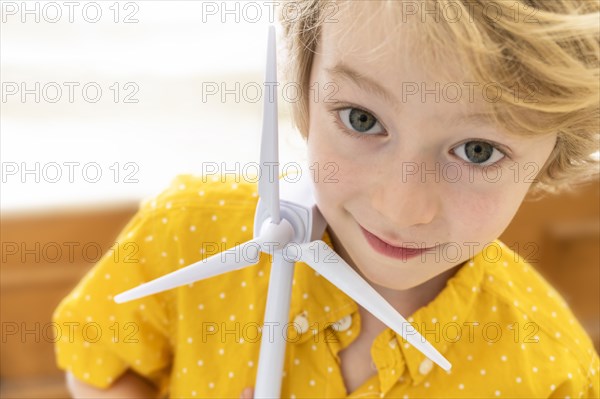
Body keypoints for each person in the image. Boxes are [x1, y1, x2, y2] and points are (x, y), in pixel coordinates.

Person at [54, 0, 600, 398]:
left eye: (478, 151)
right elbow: (96, 359)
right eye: (362, 119)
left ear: (550, 160)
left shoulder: (552, 373)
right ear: (303, 93)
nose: (399, 207)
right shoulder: (185, 233)